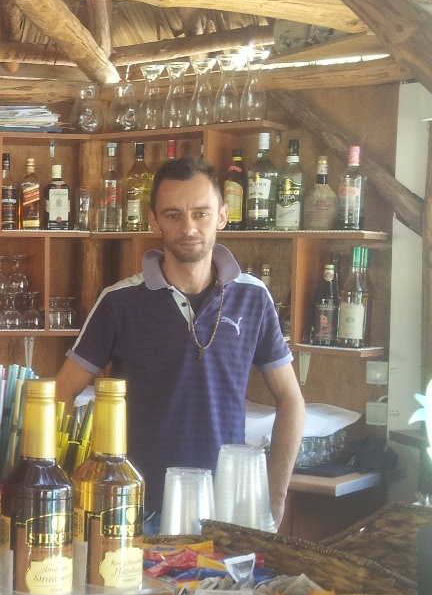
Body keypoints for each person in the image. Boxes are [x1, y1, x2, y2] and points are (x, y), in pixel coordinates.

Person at [55, 156, 304, 528]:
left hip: (226, 511)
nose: (188, 227)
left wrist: (275, 495)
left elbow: (291, 399)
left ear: (223, 216)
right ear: (154, 220)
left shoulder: (253, 297)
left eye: (201, 213)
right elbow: (61, 393)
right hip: (138, 511)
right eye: (173, 215)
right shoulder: (119, 301)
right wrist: (69, 484)